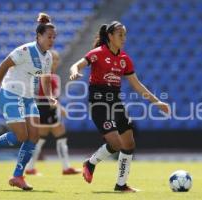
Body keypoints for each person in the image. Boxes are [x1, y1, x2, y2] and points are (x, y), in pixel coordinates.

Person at [69, 21, 170, 192]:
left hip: (116, 103)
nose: (123, 38)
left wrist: (156, 102)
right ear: (109, 36)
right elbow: (76, 65)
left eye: (125, 35)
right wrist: (74, 72)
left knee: (129, 143)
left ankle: (121, 185)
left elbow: (137, 85)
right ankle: (91, 162)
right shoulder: (98, 53)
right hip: (99, 103)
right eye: (120, 35)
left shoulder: (124, 59)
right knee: (115, 143)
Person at [0, 13, 57, 191]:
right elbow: (4, 65)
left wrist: (49, 95)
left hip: (29, 99)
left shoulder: (48, 57)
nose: (51, 40)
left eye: (54, 37)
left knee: (34, 136)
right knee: (22, 136)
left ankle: (17, 176)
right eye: (48, 36)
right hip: (11, 94)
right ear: (38, 36)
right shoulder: (25, 50)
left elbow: (46, 78)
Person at [25, 50, 81, 175]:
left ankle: (30, 167)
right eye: (52, 60)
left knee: (41, 138)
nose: (55, 62)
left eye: (56, 60)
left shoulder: (49, 75)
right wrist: (59, 108)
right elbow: (47, 95)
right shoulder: (48, 76)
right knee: (60, 135)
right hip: (47, 109)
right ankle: (66, 167)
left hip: (44, 108)